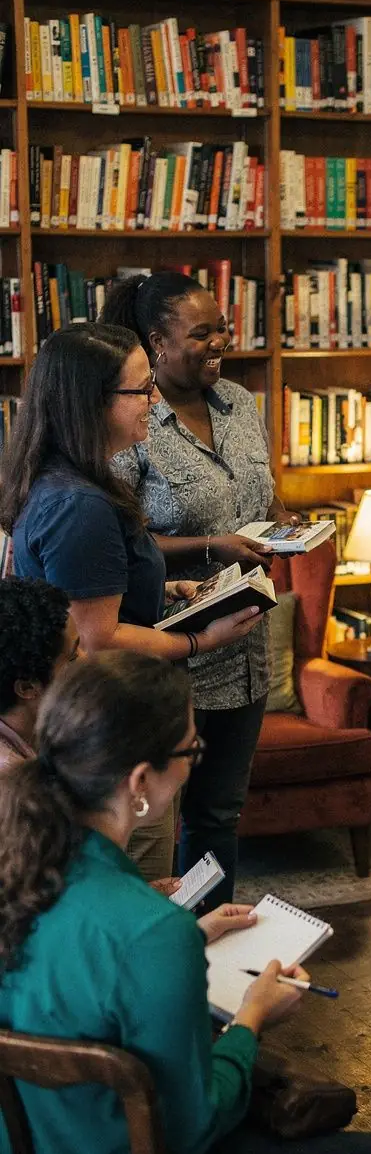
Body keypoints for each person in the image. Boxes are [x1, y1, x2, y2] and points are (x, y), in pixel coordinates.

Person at [0, 651, 371, 1154]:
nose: (195, 761)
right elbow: (193, 1125)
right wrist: (253, 1018)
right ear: (140, 780)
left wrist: (189, 935)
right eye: (191, 750)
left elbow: (77, 969)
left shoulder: (24, 873)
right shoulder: (149, 930)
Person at [0, 323, 262, 881]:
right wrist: (199, 640)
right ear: (91, 402)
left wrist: (163, 588)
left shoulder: (69, 482)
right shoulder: (80, 505)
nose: (156, 401)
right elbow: (98, 638)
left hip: (102, 722)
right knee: (139, 878)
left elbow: (81, 590)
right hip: (114, 725)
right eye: (142, 390)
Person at [99, 272, 291, 906]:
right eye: (201, 332)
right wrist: (215, 546)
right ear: (157, 341)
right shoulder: (132, 421)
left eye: (222, 329)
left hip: (245, 648)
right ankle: (159, 941)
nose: (219, 343)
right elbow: (121, 543)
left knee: (219, 816)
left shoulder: (239, 403)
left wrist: (284, 525)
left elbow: (261, 494)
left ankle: (212, 939)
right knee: (153, 824)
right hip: (169, 649)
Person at [0, 578, 80, 772]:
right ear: (27, 687)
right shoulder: (15, 779)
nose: (86, 661)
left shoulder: (41, 726)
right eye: (72, 658)